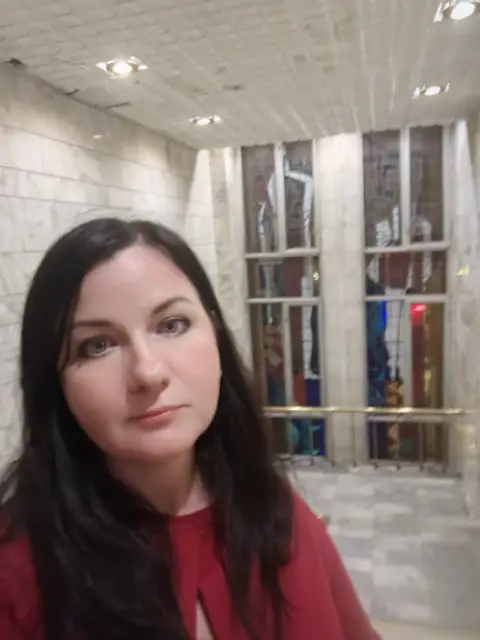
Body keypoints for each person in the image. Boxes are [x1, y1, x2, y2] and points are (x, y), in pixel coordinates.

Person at [0, 218, 380, 640]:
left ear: (215, 333)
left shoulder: (274, 512)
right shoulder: (18, 574)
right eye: (97, 345)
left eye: (171, 325)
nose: (148, 372)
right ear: (54, 385)